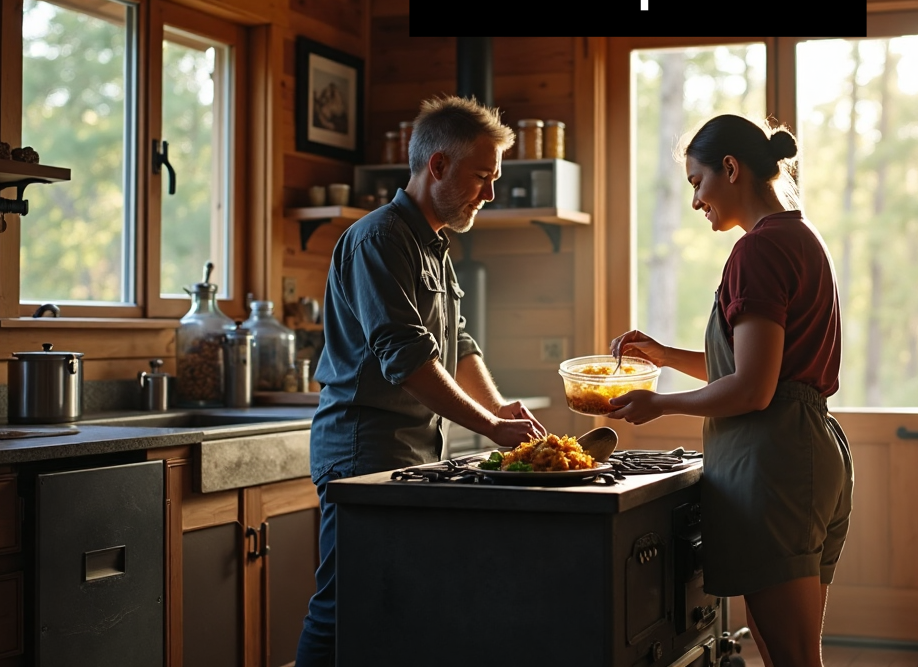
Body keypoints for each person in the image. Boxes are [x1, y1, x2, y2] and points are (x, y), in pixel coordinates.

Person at [295, 95, 547, 667]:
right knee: (343, 607)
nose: (490, 193)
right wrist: (490, 427)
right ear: (438, 165)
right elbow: (407, 359)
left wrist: (500, 409)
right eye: (482, 177)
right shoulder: (379, 238)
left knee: (400, 606)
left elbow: (458, 344)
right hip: (363, 452)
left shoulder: (433, 244)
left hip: (410, 453)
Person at [608, 114, 853, 667]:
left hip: (775, 463)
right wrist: (666, 357)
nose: (696, 201)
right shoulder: (800, 236)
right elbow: (759, 369)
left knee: (792, 657)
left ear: (731, 168)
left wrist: (659, 403)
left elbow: (752, 390)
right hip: (806, 452)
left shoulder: (757, 251)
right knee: (792, 653)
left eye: (698, 182)